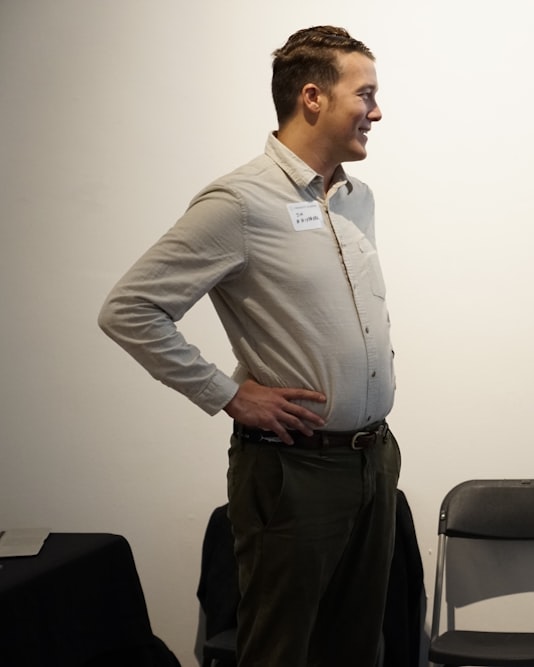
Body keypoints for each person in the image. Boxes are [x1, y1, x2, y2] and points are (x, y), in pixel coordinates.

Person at [98, 26, 399, 667]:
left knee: (358, 649)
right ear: (312, 97)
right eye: (365, 94)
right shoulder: (238, 203)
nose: (377, 112)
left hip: (373, 460)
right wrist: (229, 394)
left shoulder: (357, 198)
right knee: (281, 651)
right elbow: (130, 309)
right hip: (294, 470)